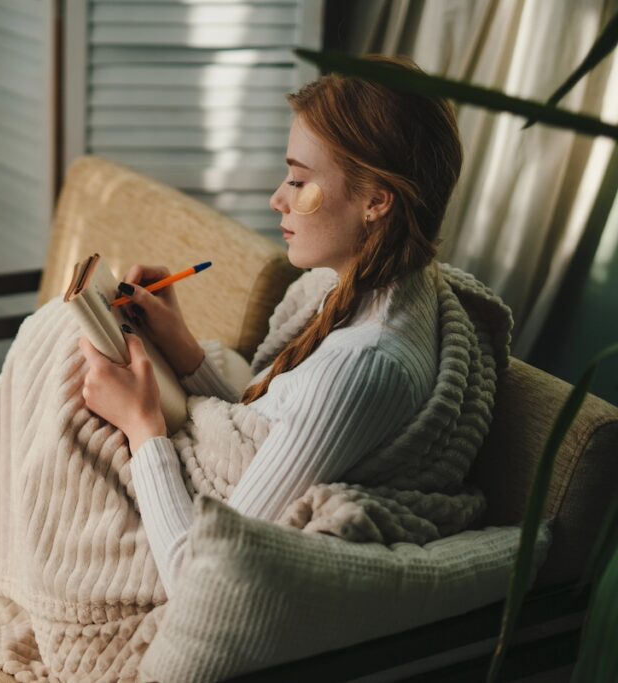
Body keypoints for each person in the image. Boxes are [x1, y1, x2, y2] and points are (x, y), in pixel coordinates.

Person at [77, 55, 465, 595]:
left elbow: (203, 578)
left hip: (173, 557)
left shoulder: (365, 366)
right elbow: (267, 427)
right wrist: (182, 349)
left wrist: (143, 426)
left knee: (60, 349)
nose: (277, 198)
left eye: (300, 180)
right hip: (185, 494)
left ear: (376, 201)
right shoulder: (365, 286)